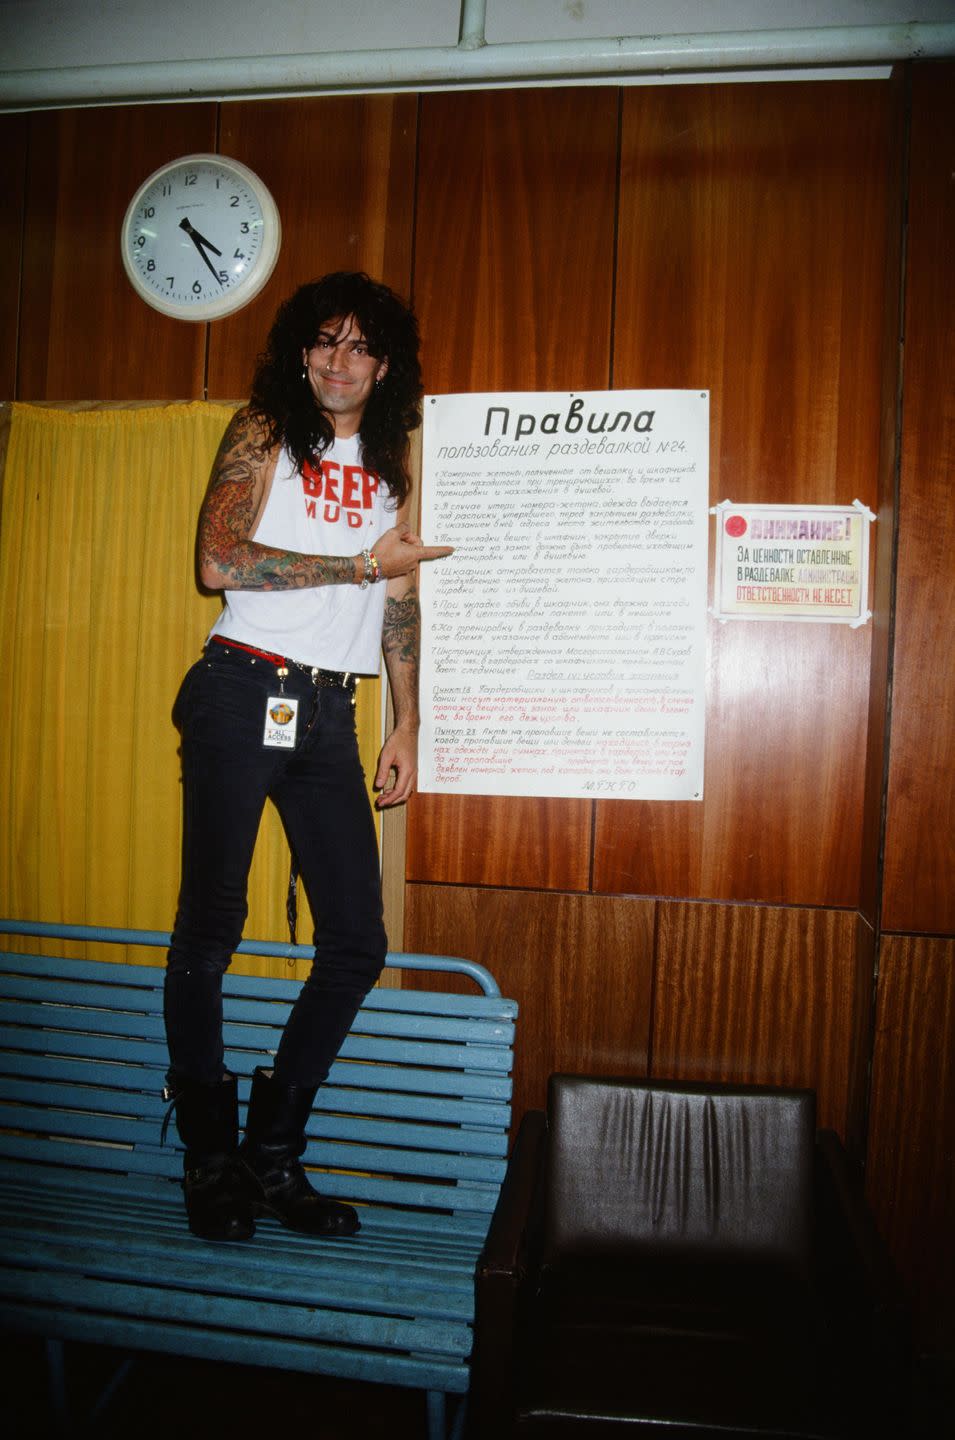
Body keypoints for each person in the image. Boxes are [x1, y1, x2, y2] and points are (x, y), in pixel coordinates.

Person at [162, 272, 451, 1242]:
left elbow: (397, 600)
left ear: (386, 365)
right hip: (241, 687)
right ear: (299, 351)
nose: (341, 360)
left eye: (361, 346)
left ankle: (270, 1157)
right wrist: (367, 563)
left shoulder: (389, 461)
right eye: (325, 341)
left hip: (331, 712)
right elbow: (220, 561)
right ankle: (209, 1157)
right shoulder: (261, 431)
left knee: (357, 943)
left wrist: (406, 720)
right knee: (212, 925)